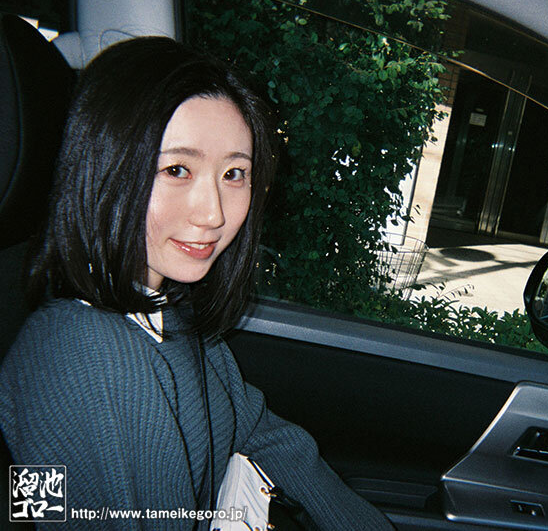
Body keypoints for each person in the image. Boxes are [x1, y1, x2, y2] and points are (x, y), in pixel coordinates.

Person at [0, 36, 394, 530]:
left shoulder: (167, 308)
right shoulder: (86, 356)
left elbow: (257, 428)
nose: (213, 214)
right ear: (104, 167)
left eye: (234, 173)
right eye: (177, 169)